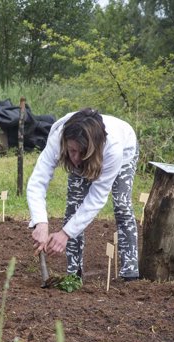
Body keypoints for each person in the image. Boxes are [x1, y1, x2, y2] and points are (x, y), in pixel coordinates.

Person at [26, 108, 140, 280]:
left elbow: (97, 197)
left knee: (121, 205)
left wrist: (64, 234)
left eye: (82, 153)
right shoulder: (58, 137)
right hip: (88, 149)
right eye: (72, 151)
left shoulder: (113, 148)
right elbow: (37, 181)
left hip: (125, 150)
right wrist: (40, 222)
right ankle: (74, 273)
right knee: (74, 206)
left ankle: (130, 272)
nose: (76, 159)